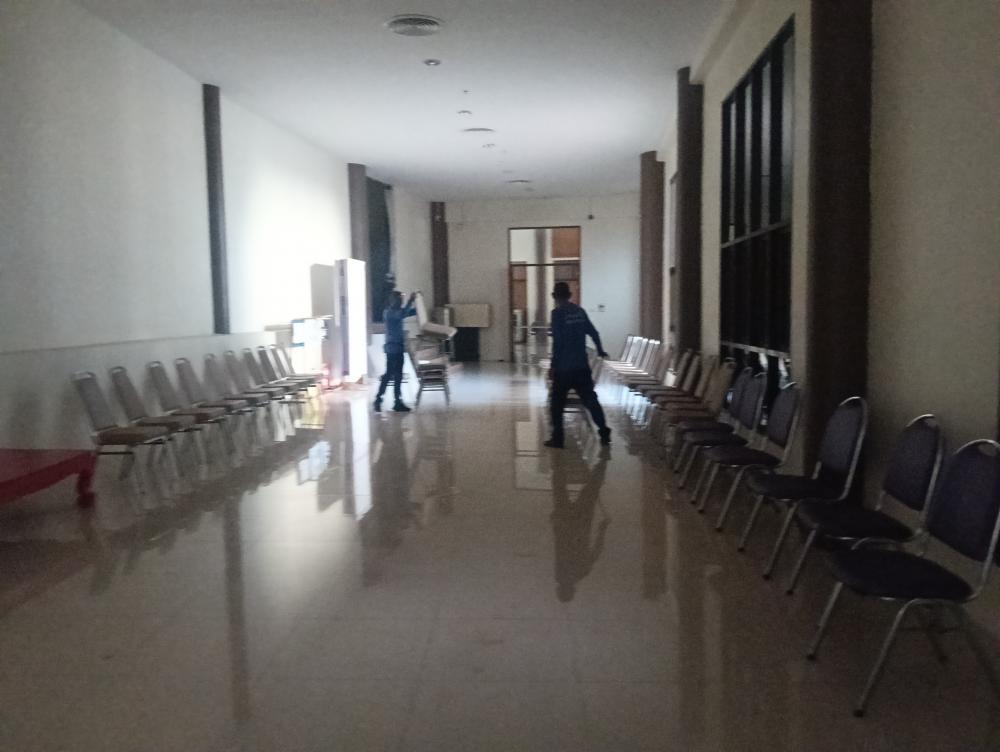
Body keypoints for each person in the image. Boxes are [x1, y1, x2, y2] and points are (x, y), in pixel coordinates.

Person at [545, 282, 611, 448]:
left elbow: (558, 342)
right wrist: (600, 350)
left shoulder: (557, 314)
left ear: (554, 297)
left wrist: (553, 366)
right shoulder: (580, 312)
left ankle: (558, 438)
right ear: (569, 295)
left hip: (564, 368)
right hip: (581, 366)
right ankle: (604, 431)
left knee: (556, 403)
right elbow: (594, 333)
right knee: (591, 400)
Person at [374, 290, 417, 412]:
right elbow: (402, 314)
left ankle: (396, 401)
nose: (401, 302)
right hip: (393, 348)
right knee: (389, 374)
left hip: (397, 348)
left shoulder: (395, 311)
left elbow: (408, 312)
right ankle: (379, 399)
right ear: (393, 300)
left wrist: (418, 307)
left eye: (401, 300)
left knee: (397, 375)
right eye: (399, 299)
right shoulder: (389, 313)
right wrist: (411, 300)